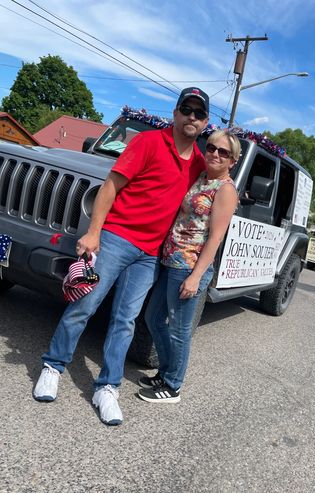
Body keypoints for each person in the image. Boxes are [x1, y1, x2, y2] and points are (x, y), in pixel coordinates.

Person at [33, 87, 210, 426]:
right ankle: (53, 366)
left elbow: (216, 191)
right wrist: (94, 231)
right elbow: (111, 185)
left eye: (199, 113)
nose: (191, 117)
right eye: (186, 109)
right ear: (175, 113)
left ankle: (107, 387)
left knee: (125, 321)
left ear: (204, 123)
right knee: (84, 304)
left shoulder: (199, 165)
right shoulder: (148, 143)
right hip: (116, 237)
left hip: (149, 253)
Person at [137, 129, 240, 403]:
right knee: (153, 318)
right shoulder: (201, 179)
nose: (215, 154)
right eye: (212, 148)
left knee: (179, 330)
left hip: (190, 266)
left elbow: (216, 238)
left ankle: (173, 386)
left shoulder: (225, 190)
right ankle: (166, 371)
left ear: (233, 161)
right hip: (171, 260)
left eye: (224, 152)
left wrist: (195, 277)